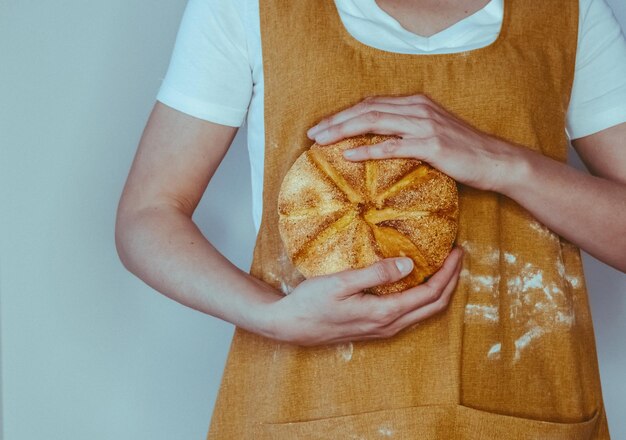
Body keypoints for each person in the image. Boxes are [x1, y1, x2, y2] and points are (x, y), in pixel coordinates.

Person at [115, 0, 626, 438]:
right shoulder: (249, 7)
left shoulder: (568, 13)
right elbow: (148, 214)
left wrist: (502, 162)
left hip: (526, 407)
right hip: (310, 406)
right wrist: (271, 316)